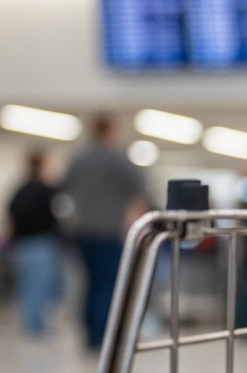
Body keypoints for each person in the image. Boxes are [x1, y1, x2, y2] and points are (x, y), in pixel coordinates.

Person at [60, 115, 148, 349]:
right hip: (109, 232)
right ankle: (104, 337)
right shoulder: (118, 160)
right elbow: (138, 193)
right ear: (109, 131)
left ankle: (90, 335)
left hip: (82, 233)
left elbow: (64, 190)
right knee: (108, 286)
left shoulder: (78, 160)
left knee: (89, 284)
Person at [8, 151, 63, 336]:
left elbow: (10, 217)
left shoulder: (19, 191)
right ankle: (37, 325)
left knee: (26, 286)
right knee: (40, 286)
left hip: (22, 245)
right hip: (42, 243)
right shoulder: (48, 191)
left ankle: (29, 324)